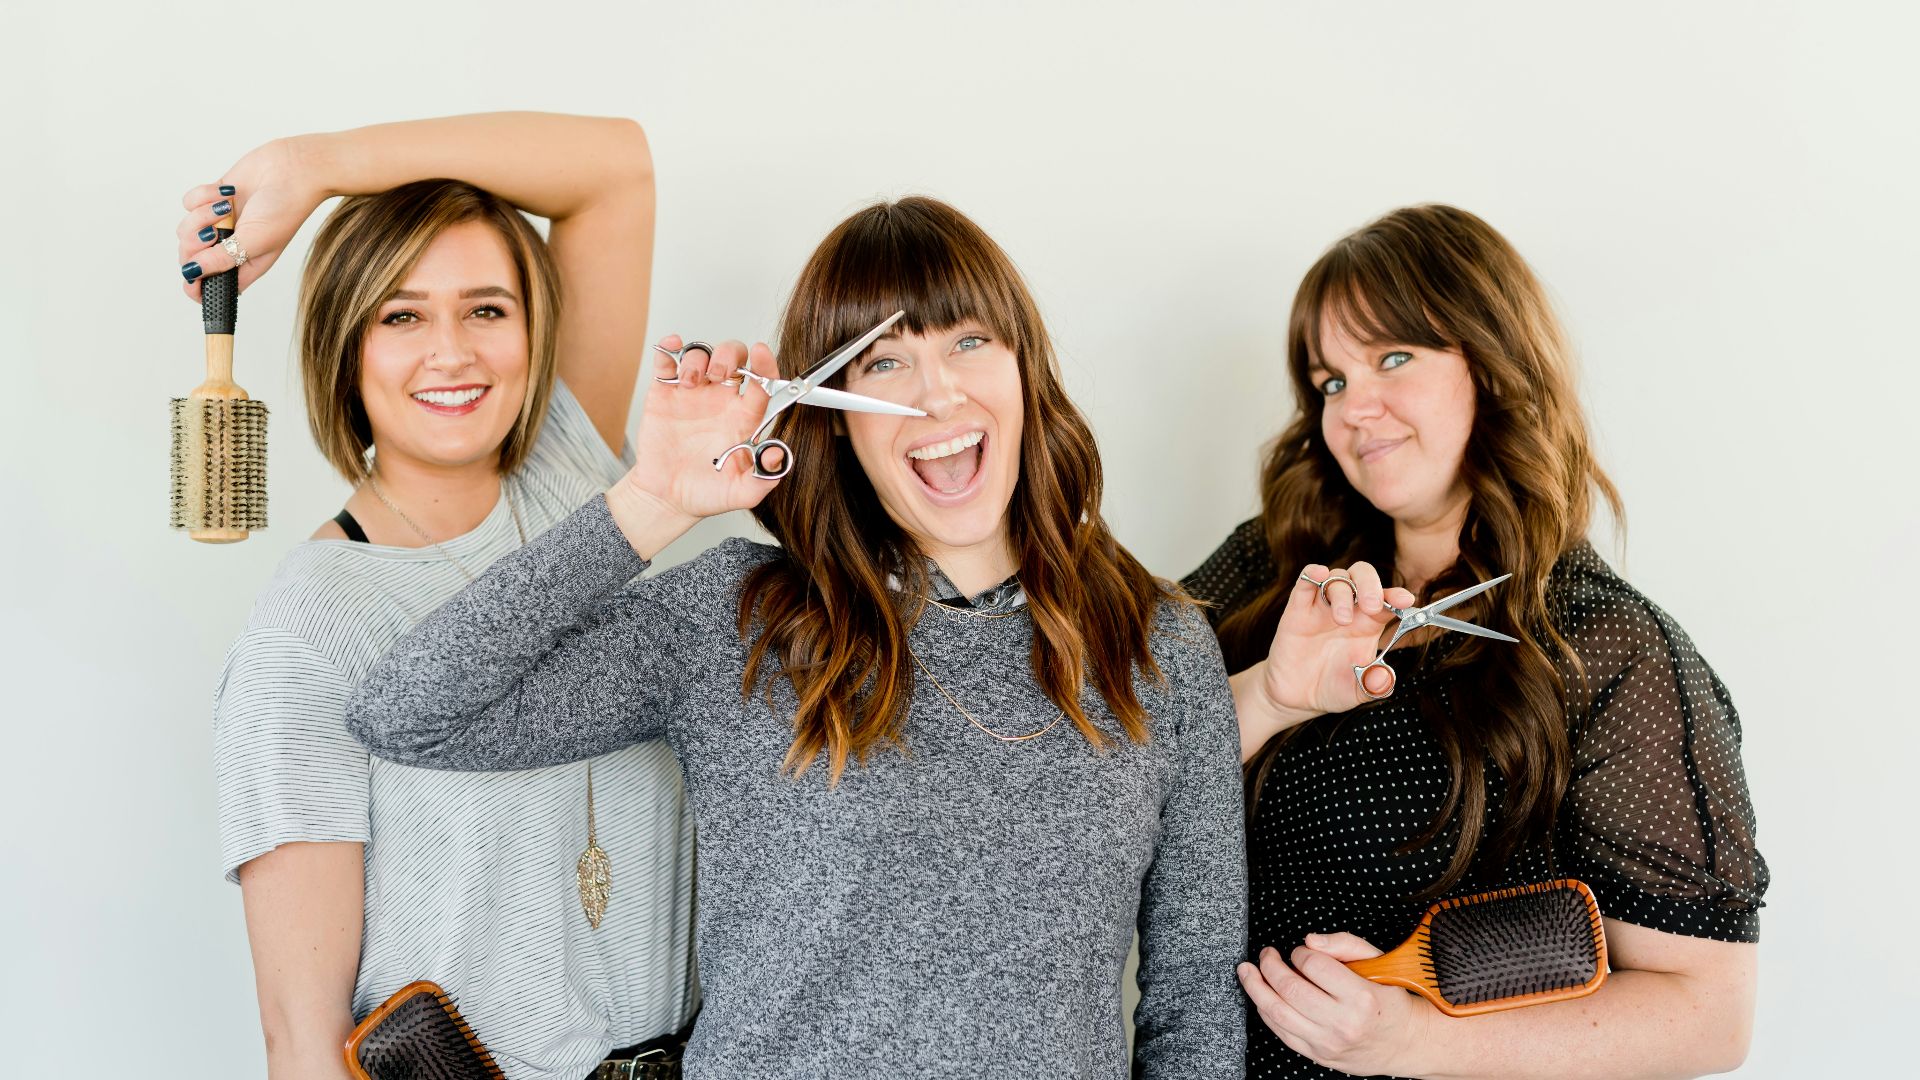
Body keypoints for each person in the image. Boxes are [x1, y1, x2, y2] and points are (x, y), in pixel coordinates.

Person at [344, 196, 1248, 1079]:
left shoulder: (1158, 643)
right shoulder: (740, 617)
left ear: (1025, 370)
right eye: (884, 363)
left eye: (971, 340)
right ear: (835, 413)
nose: (938, 394)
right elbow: (411, 712)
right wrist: (650, 503)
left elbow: (1196, 1001)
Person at [1183, 204, 1768, 1078]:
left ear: (1493, 367)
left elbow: (1707, 1014)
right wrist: (1268, 692)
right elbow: (1110, 771)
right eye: (1330, 381)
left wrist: (1410, 1039)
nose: (1354, 409)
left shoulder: (1606, 647)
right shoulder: (1268, 576)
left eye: (1393, 357)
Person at [194, 113, 696, 1080]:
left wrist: (315, 169)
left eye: (486, 309)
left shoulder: (570, 478)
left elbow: (614, 170)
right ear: (347, 346)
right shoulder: (310, 627)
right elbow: (302, 1045)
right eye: (401, 315)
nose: (453, 353)